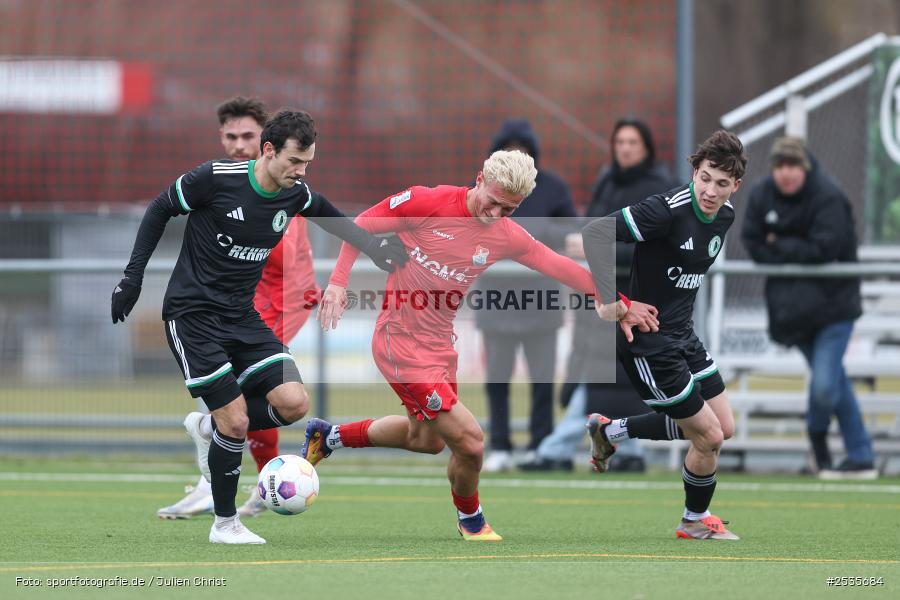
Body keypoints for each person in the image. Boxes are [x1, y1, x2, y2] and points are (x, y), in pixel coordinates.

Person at [305, 150, 659, 541]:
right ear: (478, 179)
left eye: (509, 208)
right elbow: (361, 224)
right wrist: (338, 283)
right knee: (472, 442)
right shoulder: (429, 201)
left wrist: (619, 302)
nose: (496, 213)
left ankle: (328, 436)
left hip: (440, 348)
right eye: (493, 201)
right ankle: (471, 521)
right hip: (399, 342)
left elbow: (558, 265)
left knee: (425, 440)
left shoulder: (505, 233)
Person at [112, 110, 408, 544]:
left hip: (241, 316)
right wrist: (132, 277)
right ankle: (225, 524)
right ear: (269, 151)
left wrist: (375, 248)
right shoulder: (214, 178)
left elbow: (331, 214)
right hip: (192, 317)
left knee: (293, 403)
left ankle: (212, 428)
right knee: (235, 421)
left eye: (307, 163)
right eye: (294, 162)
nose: (301, 172)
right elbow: (160, 208)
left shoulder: (295, 194)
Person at [156, 97, 321, 520]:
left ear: (267, 142)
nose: (237, 144)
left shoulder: (282, 187)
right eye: (230, 136)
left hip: (278, 302)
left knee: (247, 404)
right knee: (230, 406)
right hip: (237, 305)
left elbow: (284, 259)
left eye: (247, 135)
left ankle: (238, 482)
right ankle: (226, 486)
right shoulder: (226, 181)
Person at [582, 130, 746, 540]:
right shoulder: (667, 210)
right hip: (648, 343)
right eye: (705, 178)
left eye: (722, 184)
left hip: (683, 337)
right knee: (707, 436)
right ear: (695, 171)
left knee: (723, 427)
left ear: (735, 186)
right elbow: (595, 233)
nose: (710, 191)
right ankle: (693, 521)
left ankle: (610, 431)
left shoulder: (724, 215)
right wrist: (615, 303)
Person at [521, 118, 677, 472]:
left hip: (638, 300)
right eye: (619, 141)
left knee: (627, 381)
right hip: (604, 297)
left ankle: (567, 449)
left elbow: (652, 249)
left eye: (632, 142)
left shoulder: (660, 188)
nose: (624, 148)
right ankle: (577, 449)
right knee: (598, 380)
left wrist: (596, 252)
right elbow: (594, 231)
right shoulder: (607, 180)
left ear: (646, 148)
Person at [741, 136, 876, 480]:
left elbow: (825, 248)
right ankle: (861, 456)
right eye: (779, 166)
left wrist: (779, 242)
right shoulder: (760, 194)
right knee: (834, 381)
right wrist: (789, 246)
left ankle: (819, 441)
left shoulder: (829, 196)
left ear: (805, 167)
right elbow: (753, 243)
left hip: (834, 309)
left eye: (793, 166)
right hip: (792, 313)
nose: (786, 173)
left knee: (825, 385)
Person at [474, 119, 579, 472]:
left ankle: (539, 444)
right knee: (498, 380)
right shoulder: (484, 190)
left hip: (541, 303)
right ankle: (500, 445)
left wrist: (533, 235)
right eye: (510, 149)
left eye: (524, 148)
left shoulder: (553, 188)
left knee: (543, 379)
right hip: (494, 301)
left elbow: (570, 233)